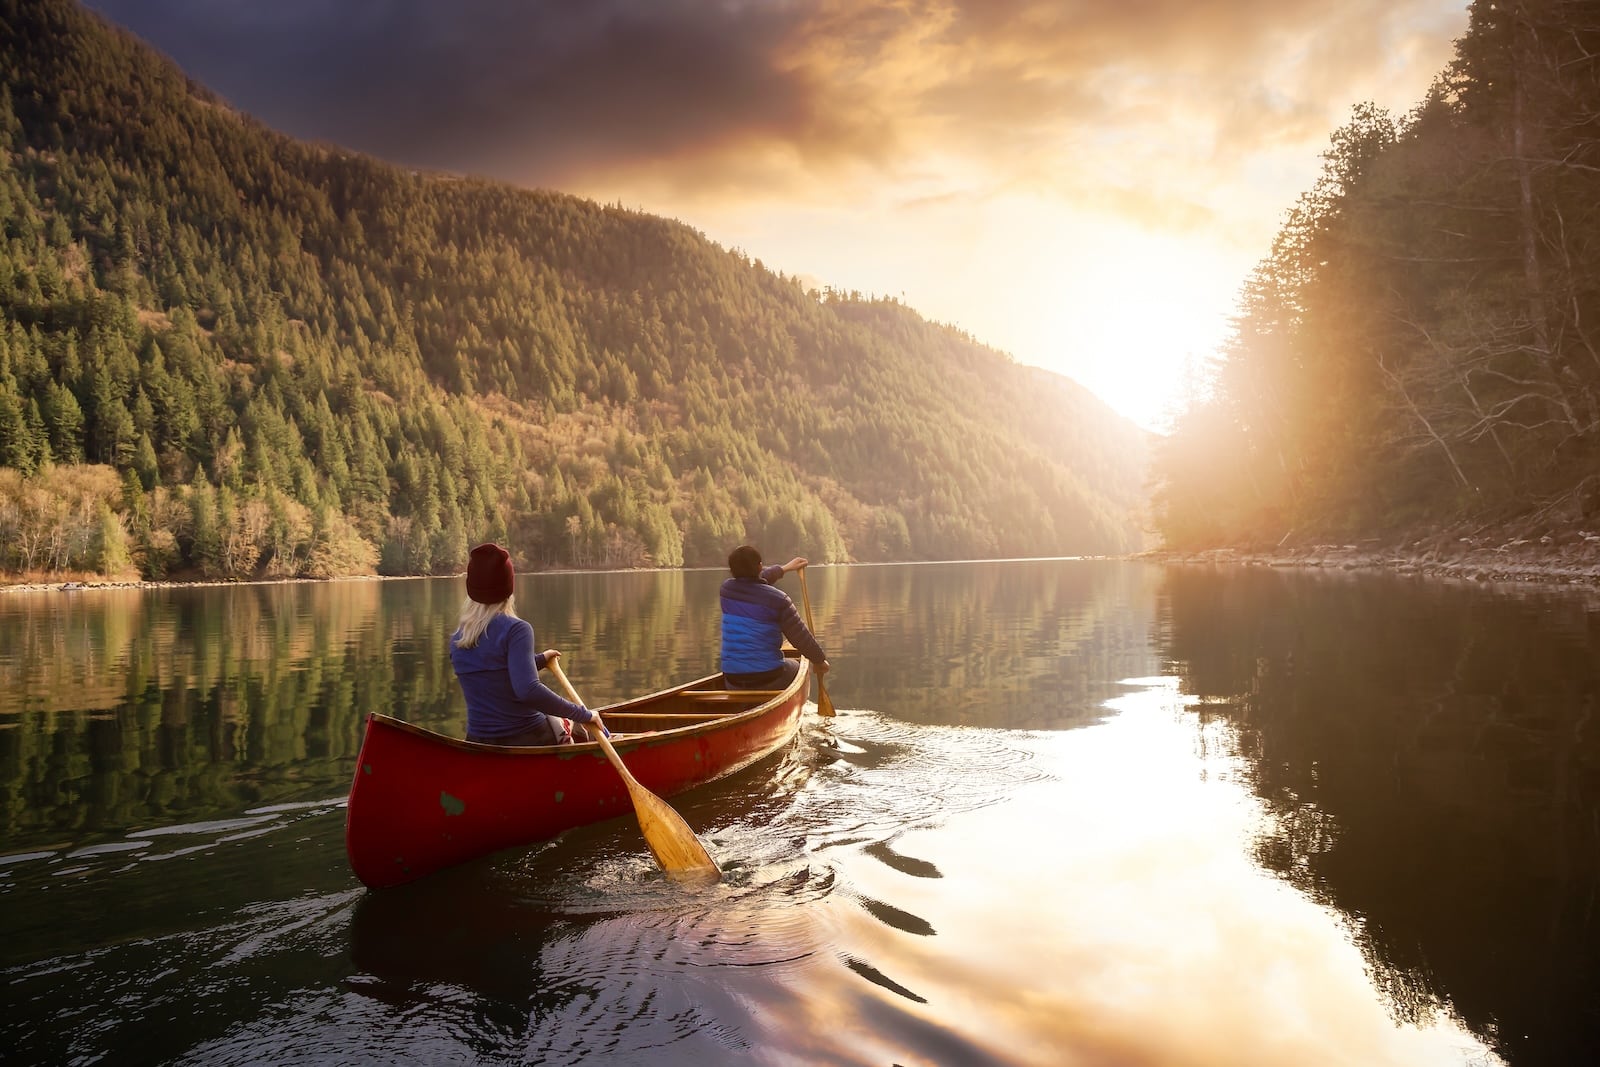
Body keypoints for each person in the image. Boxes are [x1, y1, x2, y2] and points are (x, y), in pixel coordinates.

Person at [449, 542, 603, 746]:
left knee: (568, 720)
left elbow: (494, 670)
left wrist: (539, 659)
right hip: (527, 738)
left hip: (478, 742)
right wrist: (583, 714)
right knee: (579, 727)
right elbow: (528, 690)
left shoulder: (458, 640)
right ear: (508, 588)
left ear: (472, 590)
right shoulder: (516, 629)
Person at [719, 545, 830, 690]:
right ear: (760, 567)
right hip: (767, 677)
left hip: (732, 678)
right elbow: (800, 637)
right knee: (797, 668)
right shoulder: (779, 600)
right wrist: (819, 660)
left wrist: (785, 568)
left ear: (732, 570)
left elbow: (754, 582)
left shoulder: (726, 591)